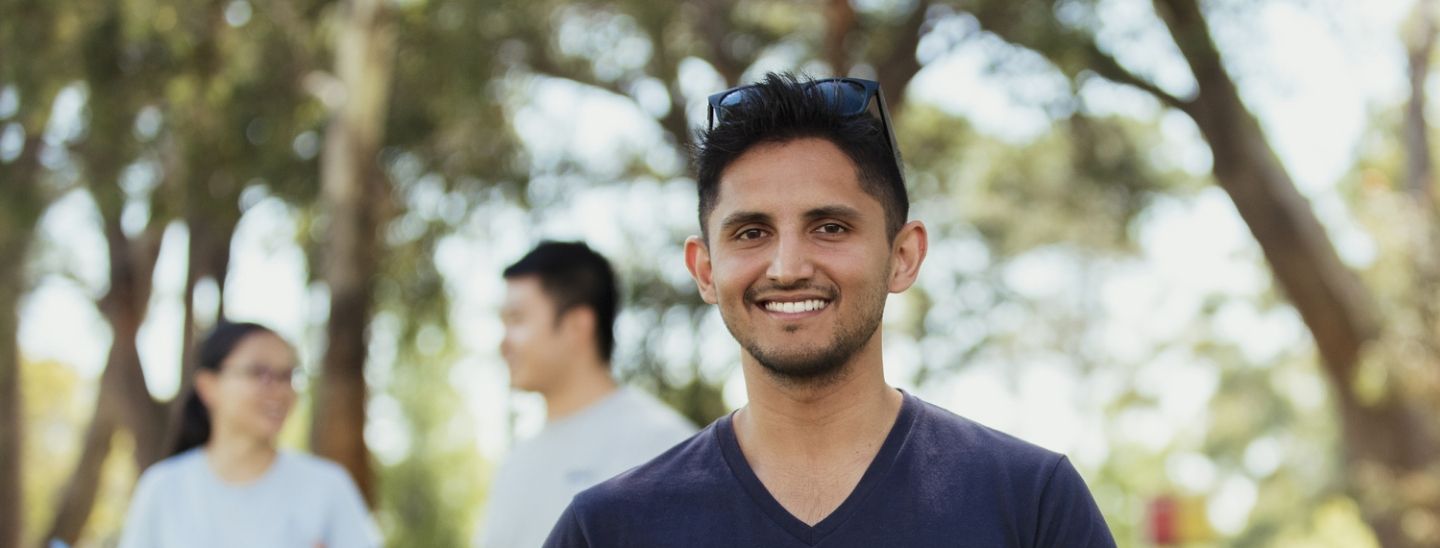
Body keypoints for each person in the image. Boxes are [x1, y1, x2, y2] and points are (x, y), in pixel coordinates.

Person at [542, 74, 1117, 547]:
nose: (787, 266)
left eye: (830, 227)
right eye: (750, 232)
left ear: (903, 256)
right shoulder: (607, 530)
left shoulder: (1030, 505)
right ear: (706, 269)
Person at [475, 241, 696, 548]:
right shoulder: (515, 464)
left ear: (577, 326)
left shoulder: (666, 449)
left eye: (517, 320)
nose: (503, 343)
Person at [118, 321, 380, 548]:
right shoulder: (163, 488)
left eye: (286, 375)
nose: (278, 389)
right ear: (208, 386)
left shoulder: (328, 487)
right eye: (259, 373)